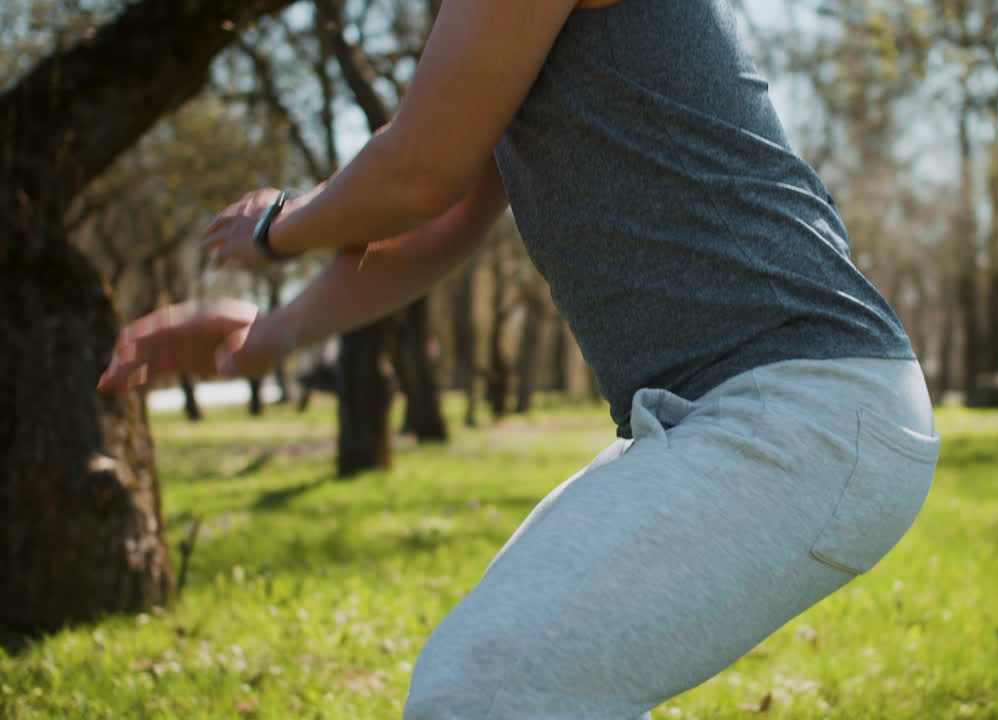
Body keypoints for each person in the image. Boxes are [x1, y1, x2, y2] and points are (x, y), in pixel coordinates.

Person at [98, 0, 941, 716]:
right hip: (739, 412)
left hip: (805, 407)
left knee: (483, 690)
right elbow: (436, 218)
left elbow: (417, 171)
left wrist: (279, 226)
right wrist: (267, 337)